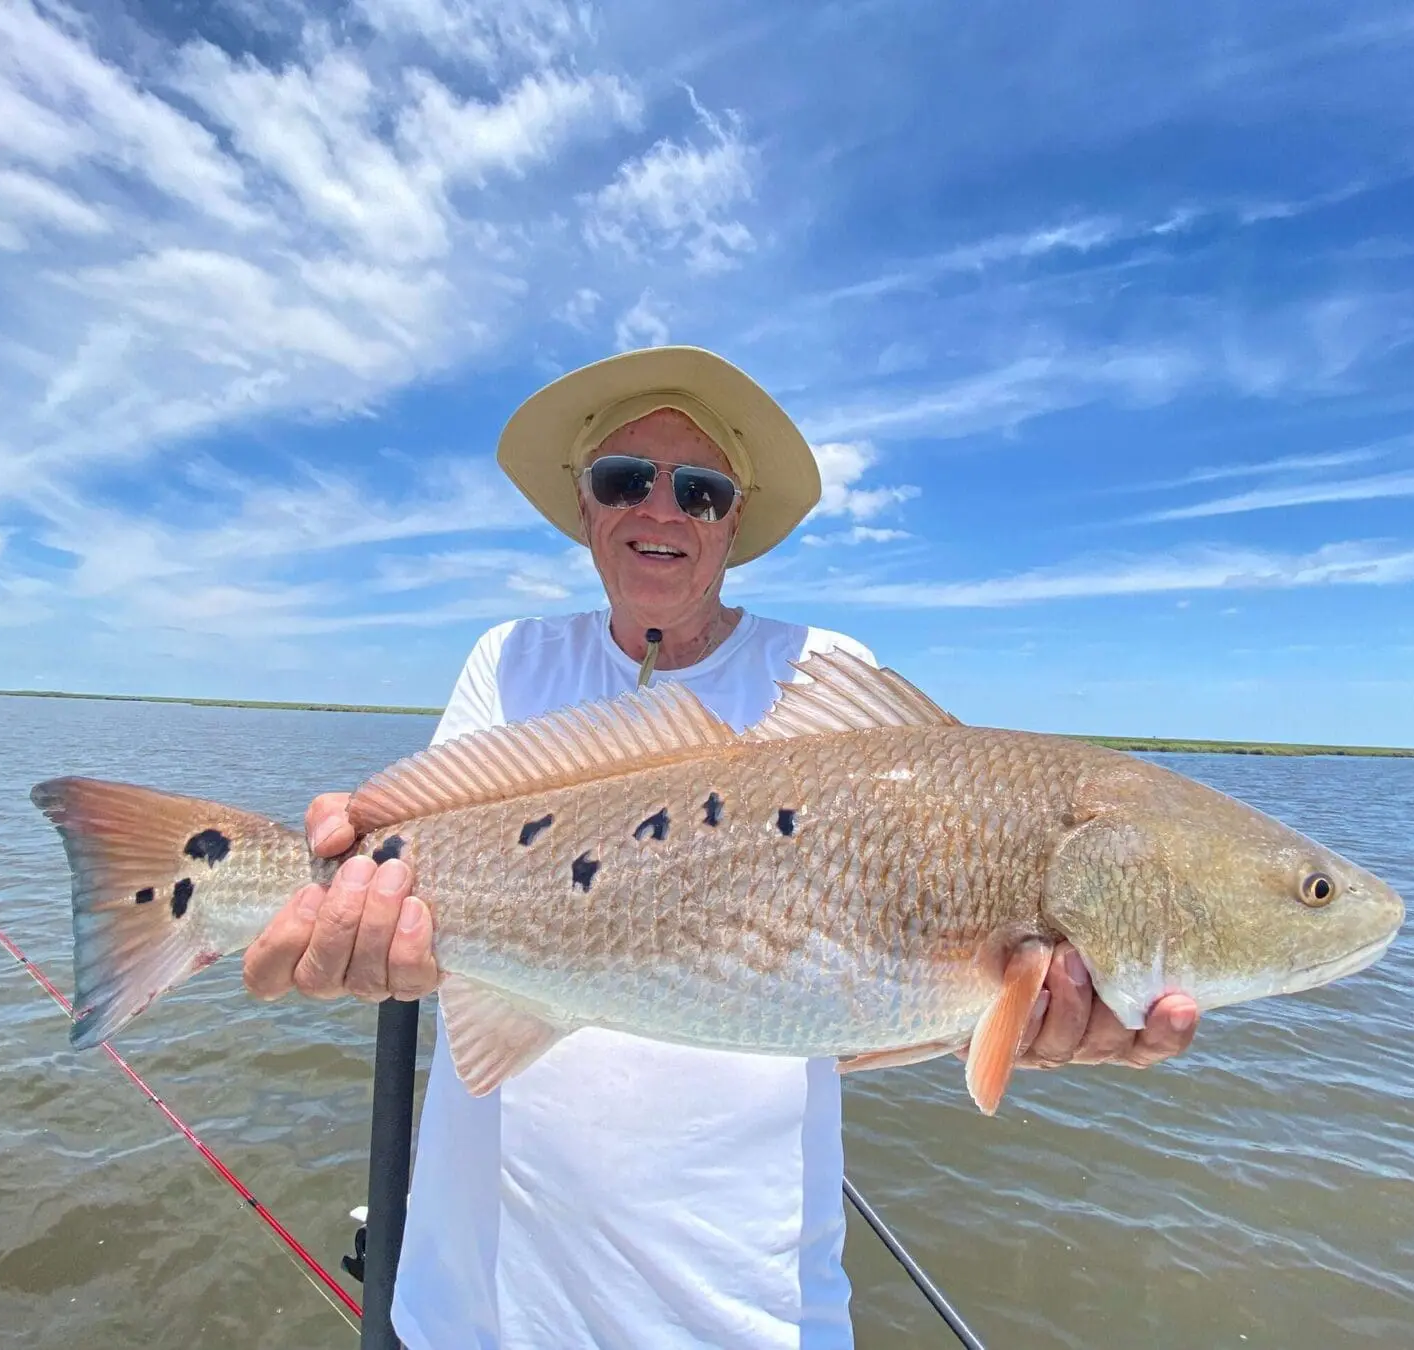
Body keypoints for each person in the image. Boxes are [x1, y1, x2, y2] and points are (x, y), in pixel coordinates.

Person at [240, 346, 1202, 1349]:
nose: (662, 510)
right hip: (477, 1301)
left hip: (744, 1306)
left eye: (700, 490)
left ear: (734, 520)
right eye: (626, 479)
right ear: (583, 504)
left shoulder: (823, 675)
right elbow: (410, 886)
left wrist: (1026, 1023)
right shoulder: (510, 659)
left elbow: (903, 980)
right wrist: (338, 924)